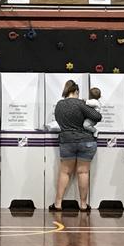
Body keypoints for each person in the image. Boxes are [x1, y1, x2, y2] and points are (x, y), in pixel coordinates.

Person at [50, 80, 102, 212]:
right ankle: (83, 205)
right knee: (83, 172)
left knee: (65, 172)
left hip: (67, 141)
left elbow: (58, 122)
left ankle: (58, 203)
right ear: (76, 91)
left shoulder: (59, 105)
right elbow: (97, 116)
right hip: (86, 141)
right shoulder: (81, 104)